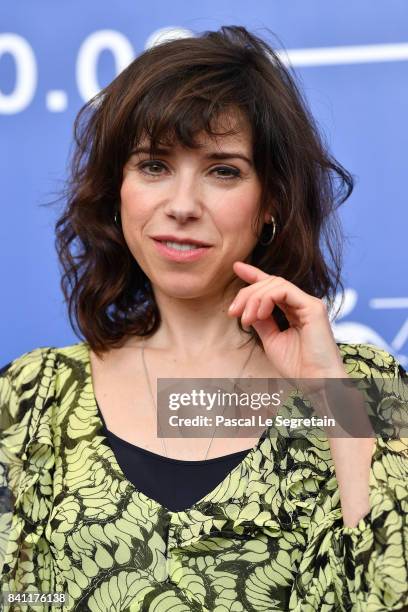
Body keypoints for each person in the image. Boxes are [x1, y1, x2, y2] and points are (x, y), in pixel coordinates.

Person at [1, 25, 407, 612]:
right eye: (154, 166)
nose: (183, 205)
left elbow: (390, 590)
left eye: (223, 171)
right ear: (117, 191)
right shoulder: (32, 397)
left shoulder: (361, 387)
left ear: (270, 200)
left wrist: (329, 392)